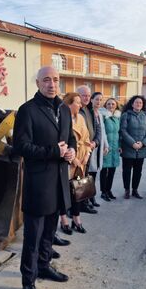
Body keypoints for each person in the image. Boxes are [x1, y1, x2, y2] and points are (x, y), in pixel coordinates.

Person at [13, 66, 76, 289]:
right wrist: (53, 152)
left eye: (56, 80)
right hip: (38, 184)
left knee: (50, 231)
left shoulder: (63, 109)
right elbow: (21, 146)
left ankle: (44, 266)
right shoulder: (28, 110)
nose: (52, 84)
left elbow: (69, 137)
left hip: (59, 180)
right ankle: (28, 282)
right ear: (38, 83)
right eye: (47, 80)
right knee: (33, 237)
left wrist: (70, 149)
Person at [61, 92, 92, 233]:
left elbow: (86, 139)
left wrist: (86, 156)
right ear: (69, 103)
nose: (80, 105)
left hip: (81, 163)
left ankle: (76, 219)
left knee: (78, 191)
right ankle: (64, 220)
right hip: (67, 161)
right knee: (63, 192)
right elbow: (62, 141)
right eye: (77, 102)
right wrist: (73, 158)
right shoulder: (61, 117)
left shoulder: (80, 117)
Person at [119, 95, 146, 200]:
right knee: (127, 171)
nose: (138, 104)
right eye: (136, 102)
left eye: (140, 103)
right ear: (132, 104)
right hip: (128, 148)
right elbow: (123, 131)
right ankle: (127, 190)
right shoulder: (126, 115)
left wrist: (143, 143)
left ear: (143, 105)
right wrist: (133, 143)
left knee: (138, 171)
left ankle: (135, 190)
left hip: (141, 149)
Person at [77, 85, 100, 213]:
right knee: (77, 179)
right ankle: (74, 207)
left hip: (89, 149)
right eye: (84, 95)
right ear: (78, 95)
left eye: (88, 95)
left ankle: (83, 203)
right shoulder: (75, 110)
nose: (87, 98)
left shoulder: (89, 110)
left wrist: (95, 142)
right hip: (79, 151)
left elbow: (95, 130)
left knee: (85, 177)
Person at [88, 92, 109, 202]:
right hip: (90, 147)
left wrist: (106, 145)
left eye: (101, 100)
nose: (99, 102)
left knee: (94, 173)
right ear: (91, 100)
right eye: (96, 99)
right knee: (88, 175)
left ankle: (92, 198)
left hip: (98, 148)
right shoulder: (88, 113)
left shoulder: (100, 114)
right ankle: (87, 198)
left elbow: (103, 132)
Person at [100, 98, 121, 201]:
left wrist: (120, 145)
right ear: (105, 105)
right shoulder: (103, 116)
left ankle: (109, 190)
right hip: (106, 147)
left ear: (116, 105)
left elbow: (119, 133)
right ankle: (103, 192)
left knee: (112, 170)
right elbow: (101, 132)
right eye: (109, 104)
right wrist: (103, 146)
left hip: (115, 147)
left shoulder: (117, 117)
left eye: (113, 104)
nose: (111, 106)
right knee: (104, 170)